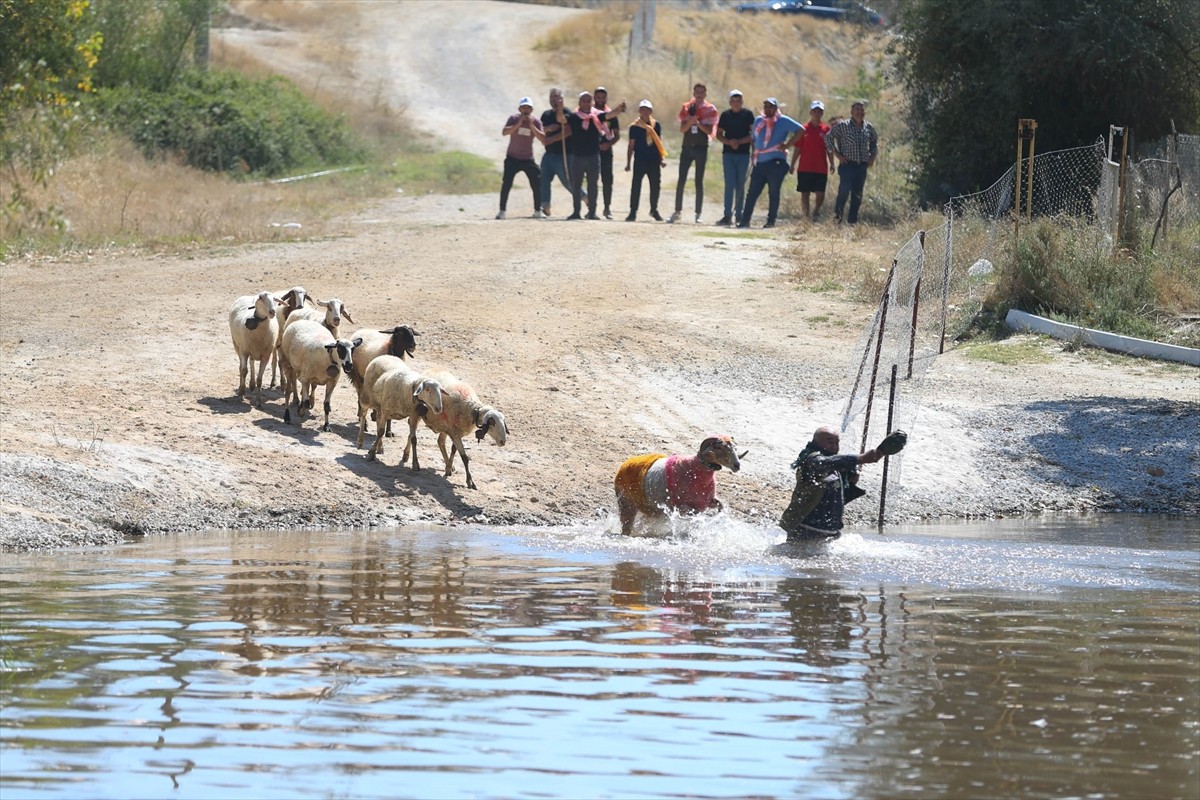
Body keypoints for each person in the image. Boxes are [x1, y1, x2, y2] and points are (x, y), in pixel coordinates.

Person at [778, 426, 894, 542]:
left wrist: (851, 482)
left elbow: (837, 496)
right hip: (804, 529)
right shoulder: (811, 460)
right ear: (816, 442)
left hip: (830, 531)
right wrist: (860, 458)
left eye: (836, 442)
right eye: (829, 442)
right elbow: (826, 462)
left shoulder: (837, 467)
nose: (834, 447)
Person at [737, 97, 802, 229]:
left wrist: (788, 145)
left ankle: (771, 221)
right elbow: (754, 138)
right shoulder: (759, 120)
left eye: (771, 106)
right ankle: (745, 220)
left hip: (776, 162)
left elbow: (801, 130)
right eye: (766, 106)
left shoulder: (783, 120)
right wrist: (754, 153)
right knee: (752, 193)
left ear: (776, 108)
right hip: (760, 162)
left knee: (773, 192)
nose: (768, 109)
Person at [669, 83, 719, 224]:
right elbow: (682, 129)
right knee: (681, 179)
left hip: (701, 147)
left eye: (701, 92)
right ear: (693, 92)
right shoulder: (686, 107)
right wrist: (690, 122)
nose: (699, 94)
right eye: (697, 91)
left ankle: (698, 213)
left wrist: (698, 123)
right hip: (687, 146)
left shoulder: (710, 109)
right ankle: (677, 211)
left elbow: (709, 131)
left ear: (705, 93)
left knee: (698, 181)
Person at [826, 99, 879, 225]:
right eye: (857, 110)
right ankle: (837, 219)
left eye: (861, 110)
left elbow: (874, 141)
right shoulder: (843, 126)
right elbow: (828, 138)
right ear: (851, 112)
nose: (859, 112)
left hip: (862, 165)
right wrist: (837, 154)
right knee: (844, 191)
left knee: (857, 194)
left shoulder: (868, 127)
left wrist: (872, 156)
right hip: (847, 165)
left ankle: (852, 221)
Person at [496, 97, 545, 220]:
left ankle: (538, 210)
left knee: (536, 183)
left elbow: (543, 138)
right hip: (512, 157)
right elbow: (505, 132)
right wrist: (518, 123)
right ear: (519, 109)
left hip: (528, 158)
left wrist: (532, 126)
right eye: (524, 107)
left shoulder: (536, 121)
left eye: (528, 107)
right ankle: (502, 211)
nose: (526, 110)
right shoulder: (513, 119)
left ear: (532, 109)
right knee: (506, 183)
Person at [565, 91, 610, 220]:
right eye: (583, 101)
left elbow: (610, 115)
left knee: (593, 185)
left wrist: (619, 109)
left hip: (593, 156)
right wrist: (559, 108)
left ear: (592, 103)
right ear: (579, 103)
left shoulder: (598, 116)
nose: (586, 103)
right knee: (576, 184)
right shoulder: (574, 117)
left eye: (588, 101)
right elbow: (561, 120)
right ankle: (576, 212)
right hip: (577, 156)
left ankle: (592, 212)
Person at [789, 100, 835, 222]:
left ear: (822, 113)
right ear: (810, 112)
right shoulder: (803, 129)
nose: (817, 113)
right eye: (815, 111)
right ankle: (806, 216)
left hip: (820, 167)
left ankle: (816, 211)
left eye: (819, 111)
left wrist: (832, 163)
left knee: (820, 194)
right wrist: (792, 164)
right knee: (805, 193)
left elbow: (829, 149)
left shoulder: (826, 129)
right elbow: (798, 148)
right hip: (805, 167)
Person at [715, 89, 755, 226]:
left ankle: (739, 215)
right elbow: (719, 134)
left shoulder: (748, 115)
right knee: (729, 184)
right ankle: (727, 215)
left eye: (739, 101)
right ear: (730, 102)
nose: (736, 103)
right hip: (728, 154)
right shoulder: (725, 115)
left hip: (743, 154)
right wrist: (729, 142)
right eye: (734, 101)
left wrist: (739, 142)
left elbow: (753, 135)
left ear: (742, 102)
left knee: (740, 185)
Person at [624, 99, 666, 222]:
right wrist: (628, 163)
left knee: (655, 186)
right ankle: (633, 212)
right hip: (640, 160)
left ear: (651, 111)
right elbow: (631, 145)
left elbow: (659, 143)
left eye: (647, 109)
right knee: (636, 186)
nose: (645, 112)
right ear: (639, 111)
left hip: (653, 160)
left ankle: (654, 209)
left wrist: (662, 158)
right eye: (642, 109)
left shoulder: (656, 125)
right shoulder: (635, 126)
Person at [538, 88, 573, 218]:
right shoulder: (546, 115)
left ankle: (584, 197)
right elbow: (541, 129)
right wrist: (548, 129)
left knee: (567, 180)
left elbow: (569, 131)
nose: (554, 99)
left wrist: (552, 137)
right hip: (549, 154)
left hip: (563, 154)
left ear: (562, 99)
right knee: (543, 179)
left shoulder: (566, 112)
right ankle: (545, 206)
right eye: (552, 97)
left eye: (557, 97)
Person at [592, 87, 622, 219]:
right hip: (592, 151)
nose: (600, 99)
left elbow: (617, 135)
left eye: (602, 97)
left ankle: (607, 208)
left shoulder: (611, 114)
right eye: (598, 97)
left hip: (606, 152)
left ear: (606, 98)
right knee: (592, 180)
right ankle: (591, 209)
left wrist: (608, 144)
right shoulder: (589, 113)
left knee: (607, 180)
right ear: (594, 98)